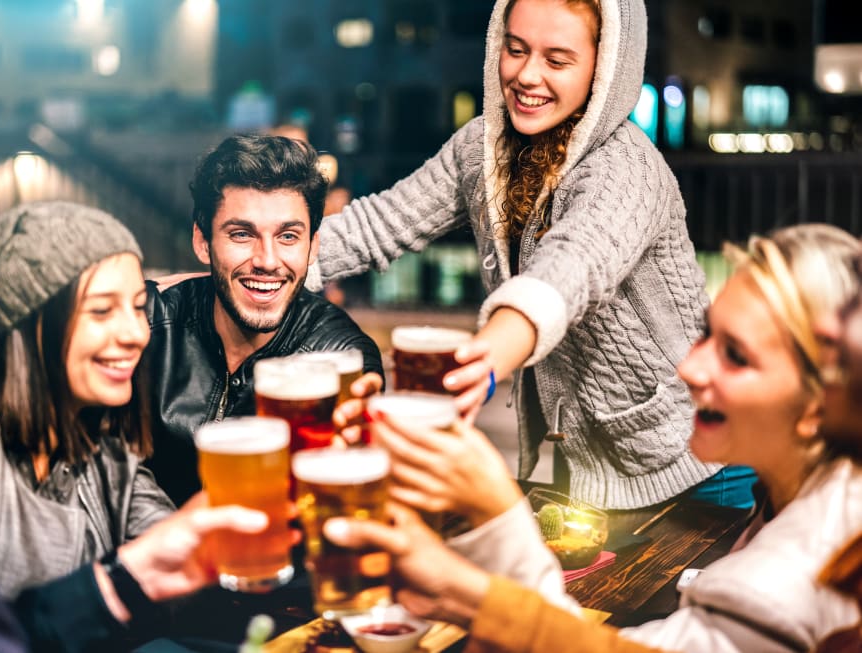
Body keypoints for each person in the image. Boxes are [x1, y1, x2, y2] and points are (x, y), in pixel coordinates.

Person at [327, 224, 862, 653]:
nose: (688, 369)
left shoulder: (792, 577)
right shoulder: (819, 499)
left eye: (736, 355)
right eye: (706, 335)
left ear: (820, 405)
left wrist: (497, 513)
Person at [308, 0, 729, 510]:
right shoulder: (482, 147)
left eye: (557, 60)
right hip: (588, 468)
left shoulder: (626, 165)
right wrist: (260, 265)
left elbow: (570, 269)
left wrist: (487, 361)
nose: (527, 75)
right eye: (516, 49)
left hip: (702, 466)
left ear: (606, 65)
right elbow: (381, 223)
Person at [0, 193, 278, 651]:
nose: (134, 334)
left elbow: (193, 583)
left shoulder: (106, 456)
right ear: (34, 325)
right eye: (101, 311)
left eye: (135, 307)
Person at [144, 134, 383, 506]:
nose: (267, 260)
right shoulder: (148, 326)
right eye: (242, 234)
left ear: (313, 246)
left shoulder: (339, 357)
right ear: (202, 241)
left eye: (288, 236)